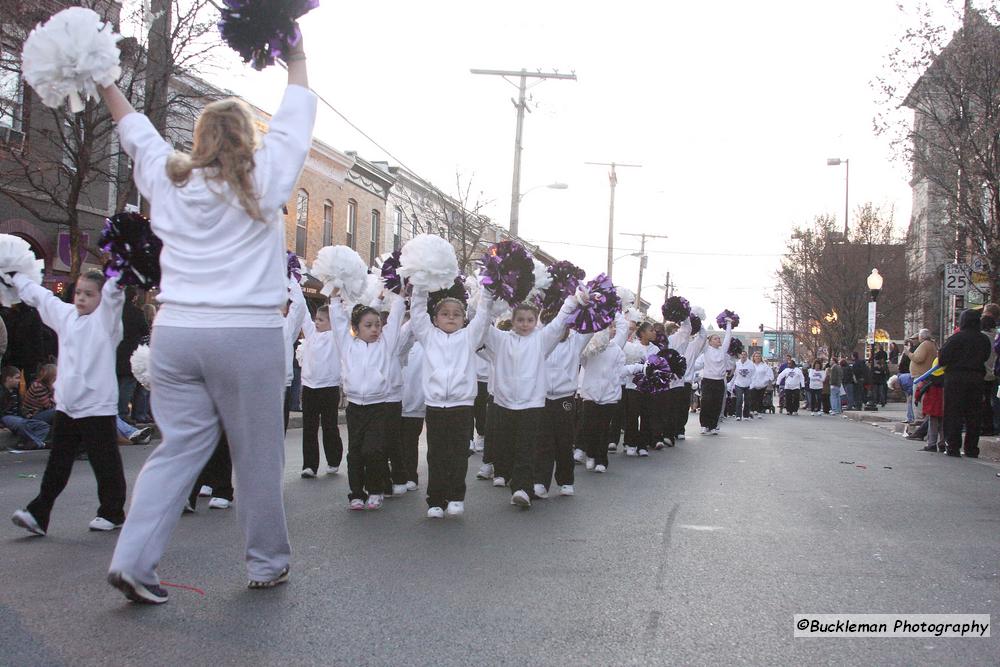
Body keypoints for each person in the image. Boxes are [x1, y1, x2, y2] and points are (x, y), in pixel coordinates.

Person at [102, 39, 315, 603]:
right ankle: (266, 562)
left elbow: (132, 126)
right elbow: (295, 116)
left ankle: (132, 559)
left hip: (175, 333)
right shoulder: (265, 177)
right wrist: (294, 51)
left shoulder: (169, 179)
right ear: (248, 139)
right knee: (257, 454)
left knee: (176, 449)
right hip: (246, 333)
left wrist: (100, 76)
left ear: (197, 140)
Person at [7, 269, 127, 537]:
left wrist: (119, 268)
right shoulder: (67, 316)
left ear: (100, 297)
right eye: (78, 293)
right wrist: (16, 276)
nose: (81, 298)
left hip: (97, 406)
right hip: (67, 406)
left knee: (104, 461)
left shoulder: (107, 322)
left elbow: (114, 294)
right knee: (57, 462)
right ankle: (38, 514)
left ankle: (112, 512)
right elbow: (43, 298)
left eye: (89, 294)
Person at [483, 295, 581, 508]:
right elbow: (481, 323)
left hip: (532, 405)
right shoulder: (500, 340)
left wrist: (573, 300)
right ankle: (511, 479)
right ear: (513, 320)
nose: (525, 324)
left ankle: (522, 489)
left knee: (527, 448)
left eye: (529, 320)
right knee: (507, 447)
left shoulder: (542, 340)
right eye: (520, 320)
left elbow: (559, 322)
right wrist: (487, 296)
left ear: (536, 321)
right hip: (504, 404)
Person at [409, 287, 492, 517]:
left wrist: (487, 294)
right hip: (435, 407)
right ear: (435, 319)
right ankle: (435, 500)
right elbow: (416, 314)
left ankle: (456, 496)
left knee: (457, 454)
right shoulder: (428, 336)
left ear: (464, 319)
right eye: (445, 313)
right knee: (436, 455)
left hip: (462, 406)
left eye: (457, 313)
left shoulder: (469, 337)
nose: (451, 317)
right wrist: (420, 287)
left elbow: (484, 318)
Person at [330, 291, 406, 511]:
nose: (374, 329)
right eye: (368, 325)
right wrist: (335, 301)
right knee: (355, 452)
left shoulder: (385, 345)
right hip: (355, 407)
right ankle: (356, 493)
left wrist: (399, 298)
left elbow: (395, 321)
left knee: (373, 450)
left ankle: (375, 490)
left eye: (377, 325)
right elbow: (337, 324)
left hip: (378, 406)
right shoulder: (347, 345)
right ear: (356, 328)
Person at [535, 306, 592, 498]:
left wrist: (589, 304)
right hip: (541, 398)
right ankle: (540, 482)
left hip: (564, 398)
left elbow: (592, 326)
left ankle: (566, 481)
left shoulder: (576, 342)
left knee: (564, 441)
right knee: (543, 441)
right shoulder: (540, 341)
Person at [293, 287, 343, 479]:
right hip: (309, 388)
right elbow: (303, 313)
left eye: (321, 320)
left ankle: (333, 460)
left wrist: (335, 298)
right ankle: (310, 465)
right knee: (309, 427)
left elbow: (340, 320)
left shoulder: (335, 337)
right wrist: (296, 285)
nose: (316, 322)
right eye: (316, 319)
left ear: (332, 323)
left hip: (329, 387)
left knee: (330, 426)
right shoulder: (311, 335)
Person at [938, 309, 991, 458]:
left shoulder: (956, 339)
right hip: (976, 377)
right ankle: (971, 448)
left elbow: (943, 359)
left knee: (953, 412)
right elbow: (986, 356)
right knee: (974, 413)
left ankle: (953, 446)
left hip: (955, 377)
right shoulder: (983, 339)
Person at [622, 322, 659, 455]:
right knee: (632, 416)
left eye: (654, 330)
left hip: (648, 387)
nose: (654, 332)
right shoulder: (633, 346)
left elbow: (659, 367)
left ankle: (642, 445)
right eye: (651, 330)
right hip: (633, 386)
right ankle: (630, 442)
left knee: (646, 415)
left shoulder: (655, 349)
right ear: (642, 333)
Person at [116, 288, 149, 423]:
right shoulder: (137, 313)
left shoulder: (115, 313)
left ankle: (117, 413)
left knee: (118, 385)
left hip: (116, 353)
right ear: (134, 298)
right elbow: (145, 331)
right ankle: (123, 413)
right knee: (128, 386)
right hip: (132, 354)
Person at [0, 366, 50, 450]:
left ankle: (32, 443)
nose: (19, 381)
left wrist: (26, 414)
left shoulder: (16, 392)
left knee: (43, 426)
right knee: (21, 424)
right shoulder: (2, 392)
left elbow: (19, 408)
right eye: (17, 378)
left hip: (18, 418)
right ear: (8, 379)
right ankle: (41, 444)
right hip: (6, 418)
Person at [698, 318, 733, 434]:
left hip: (719, 381)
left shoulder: (722, 351)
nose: (718, 340)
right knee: (706, 402)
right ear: (710, 341)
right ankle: (704, 425)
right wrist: (698, 320)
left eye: (719, 338)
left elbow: (728, 337)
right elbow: (702, 338)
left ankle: (713, 426)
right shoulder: (706, 350)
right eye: (715, 338)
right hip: (708, 380)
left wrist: (729, 324)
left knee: (716, 404)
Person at [903, 329, 937, 423]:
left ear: (921, 336)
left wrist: (908, 353)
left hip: (920, 375)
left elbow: (918, 358)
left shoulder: (925, 345)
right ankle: (921, 418)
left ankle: (919, 418)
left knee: (917, 397)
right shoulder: (931, 344)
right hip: (925, 374)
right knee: (921, 397)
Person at [732, 350, 753, 420]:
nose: (743, 356)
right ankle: (738, 415)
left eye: (744, 355)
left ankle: (746, 415)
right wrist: (731, 384)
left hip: (747, 384)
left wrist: (752, 383)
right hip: (738, 384)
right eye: (742, 354)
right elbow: (734, 374)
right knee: (739, 399)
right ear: (740, 356)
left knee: (747, 400)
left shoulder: (750, 364)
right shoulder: (737, 363)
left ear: (746, 356)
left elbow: (754, 374)